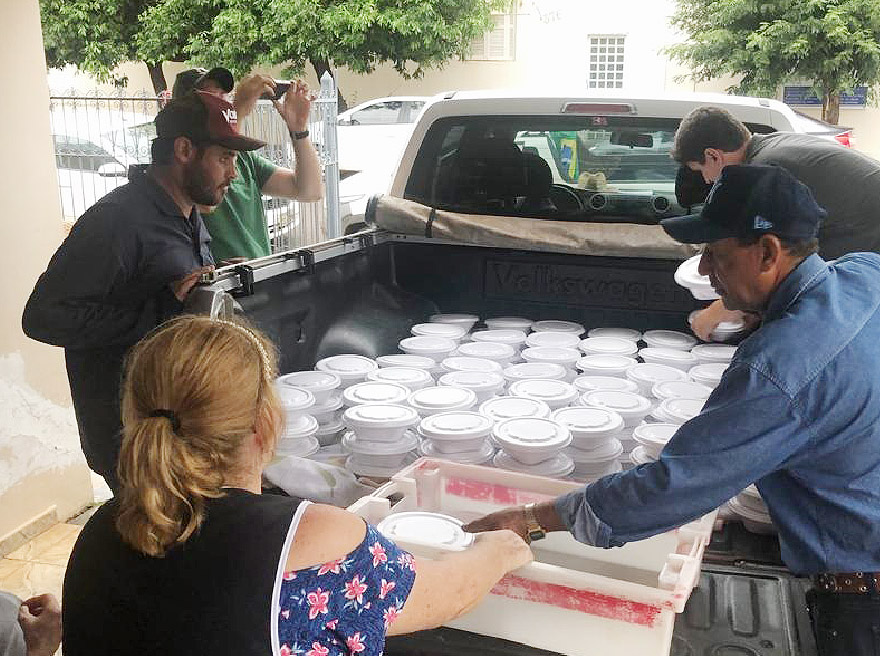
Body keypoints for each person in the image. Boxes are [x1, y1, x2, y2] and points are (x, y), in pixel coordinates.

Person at [465, 164, 880, 656]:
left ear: (768, 252)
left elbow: (674, 485)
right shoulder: (877, 275)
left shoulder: (779, 371)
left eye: (714, 253)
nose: (705, 270)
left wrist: (532, 519)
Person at [60, 316, 531, 656]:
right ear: (265, 424)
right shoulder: (316, 541)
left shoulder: (106, 526)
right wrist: (504, 547)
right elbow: (451, 593)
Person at [21, 89, 267, 491]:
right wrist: (160, 312)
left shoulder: (186, 214)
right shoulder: (118, 221)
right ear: (184, 150)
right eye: (224, 158)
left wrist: (214, 277)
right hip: (131, 447)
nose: (234, 173)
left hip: (178, 435)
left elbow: (167, 286)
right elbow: (44, 316)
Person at [670, 106, 880, 340]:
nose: (708, 182)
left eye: (701, 172)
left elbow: (765, 262)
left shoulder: (770, 169)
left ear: (713, 155)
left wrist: (719, 311)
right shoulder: (771, 148)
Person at [171, 67, 324, 264]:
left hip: (259, 282)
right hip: (218, 288)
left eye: (222, 94)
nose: (221, 100)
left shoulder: (243, 159)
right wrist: (238, 111)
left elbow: (309, 191)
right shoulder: (184, 162)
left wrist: (299, 129)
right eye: (210, 95)